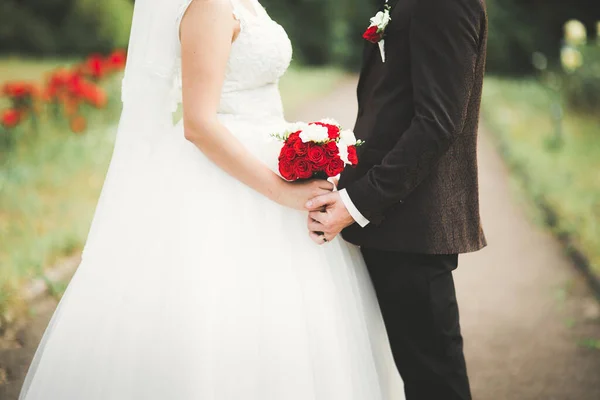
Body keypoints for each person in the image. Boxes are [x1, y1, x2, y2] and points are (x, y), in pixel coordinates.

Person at [18, 0, 406, 399]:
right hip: (222, 178)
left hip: (264, 154)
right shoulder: (208, 7)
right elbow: (199, 124)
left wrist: (301, 149)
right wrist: (282, 191)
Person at [306, 0, 488, 399]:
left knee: (434, 380)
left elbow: (437, 124)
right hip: (388, 220)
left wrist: (357, 203)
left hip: (412, 223)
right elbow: (390, 106)